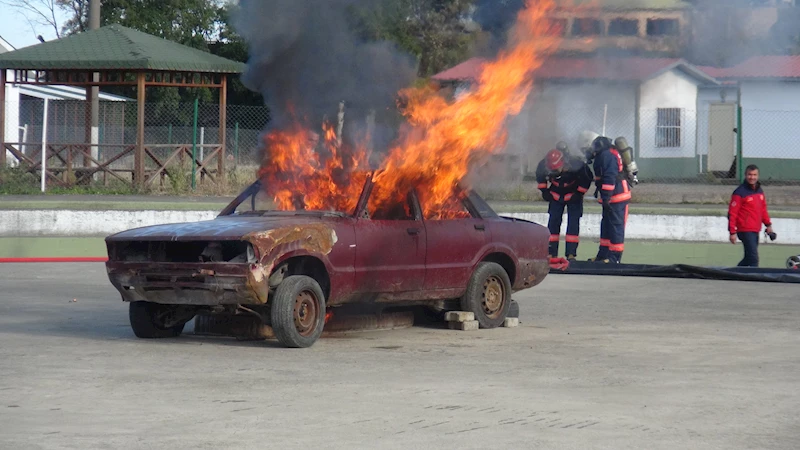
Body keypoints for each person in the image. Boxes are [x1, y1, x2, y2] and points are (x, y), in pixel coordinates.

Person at [536, 148, 593, 260]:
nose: (554, 172)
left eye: (557, 170)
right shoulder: (543, 164)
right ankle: (551, 253)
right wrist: (544, 190)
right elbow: (540, 176)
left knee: (573, 223)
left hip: (573, 193)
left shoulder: (577, 165)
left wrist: (579, 192)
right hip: (555, 194)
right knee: (553, 223)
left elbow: (587, 178)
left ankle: (571, 254)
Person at [587, 136, 631, 263]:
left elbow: (609, 177)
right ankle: (603, 255)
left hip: (617, 196)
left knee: (616, 226)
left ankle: (614, 258)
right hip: (611, 197)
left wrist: (606, 197)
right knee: (606, 225)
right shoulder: (604, 155)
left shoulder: (607, 156)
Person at [728, 164, 774, 267]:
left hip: (755, 229)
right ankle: (754, 281)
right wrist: (732, 232)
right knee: (754, 259)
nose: (752, 177)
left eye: (754, 175)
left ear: (758, 176)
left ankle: (735, 273)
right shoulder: (739, 192)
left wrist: (768, 225)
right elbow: (732, 213)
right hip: (744, 230)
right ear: (745, 175)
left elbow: (763, 210)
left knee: (748, 258)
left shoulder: (759, 191)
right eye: (749, 174)